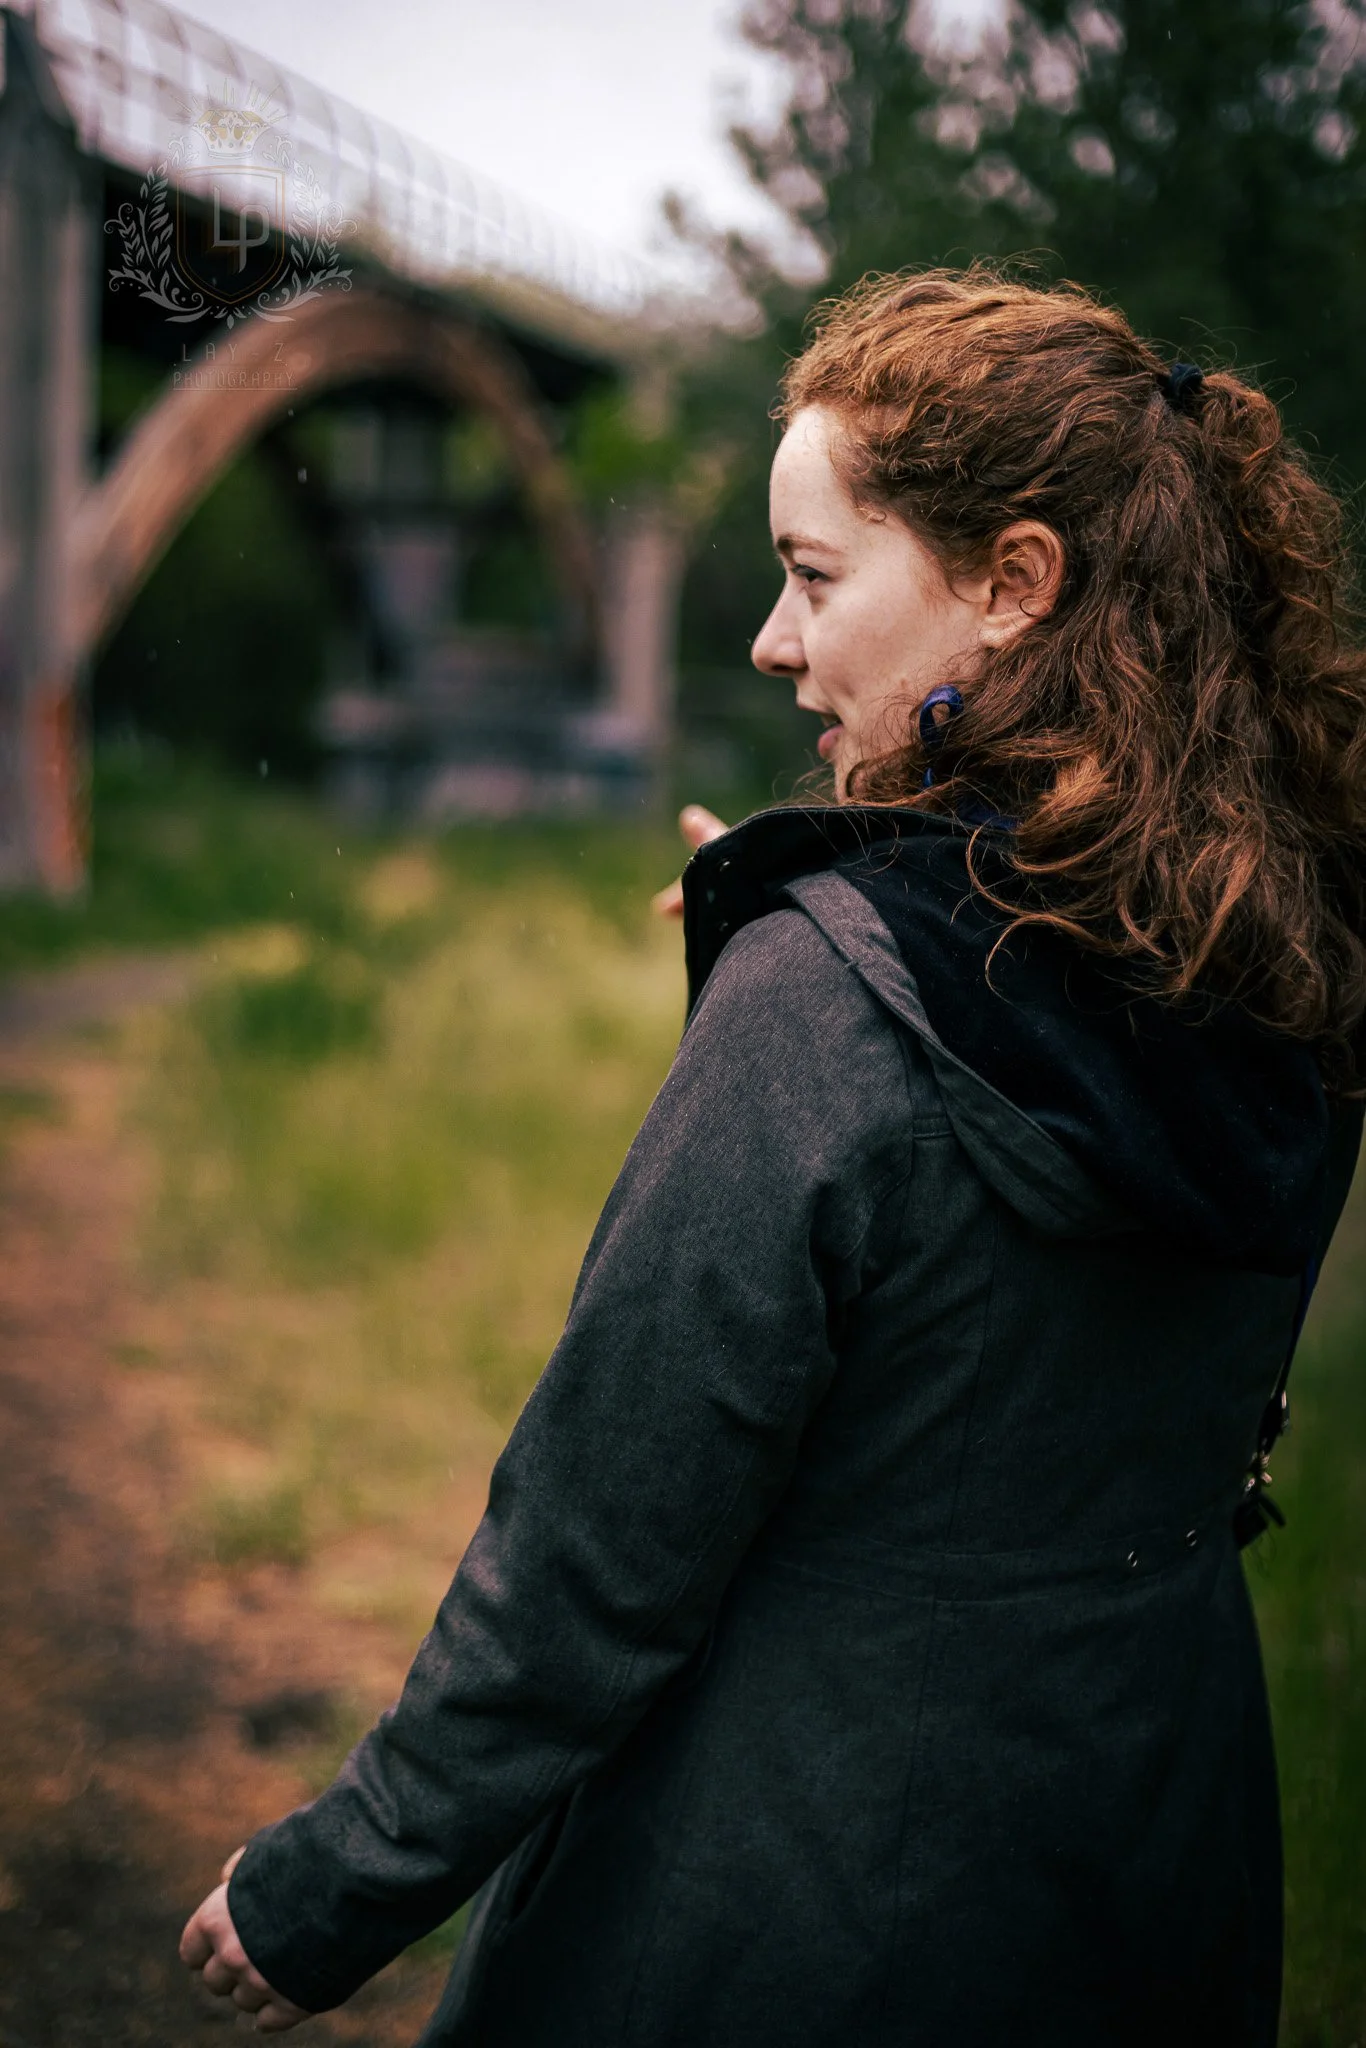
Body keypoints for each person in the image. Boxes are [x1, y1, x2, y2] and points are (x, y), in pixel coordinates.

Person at [180, 268, 1366, 2046]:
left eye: (814, 576)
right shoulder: (1273, 957)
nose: (768, 637)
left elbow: (594, 1553)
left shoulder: (832, 1000)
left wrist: (329, 1885)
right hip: (1147, 1853)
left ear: (1013, 585)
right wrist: (819, 905)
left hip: (798, 1892)